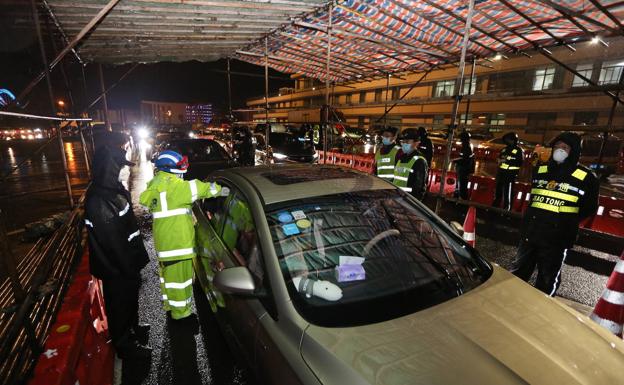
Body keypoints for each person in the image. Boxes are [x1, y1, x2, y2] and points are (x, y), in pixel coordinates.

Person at [139, 150, 228, 320]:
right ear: (171, 169)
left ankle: (170, 305)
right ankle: (181, 315)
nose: (184, 170)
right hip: (178, 245)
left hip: (166, 244)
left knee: (169, 278)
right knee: (181, 281)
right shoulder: (177, 187)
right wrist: (223, 191)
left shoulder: (157, 185)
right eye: (181, 166)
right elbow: (204, 188)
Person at [84, 139, 151, 359]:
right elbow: (113, 243)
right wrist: (128, 268)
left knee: (130, 300)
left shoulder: (112, 190)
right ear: (108, 166)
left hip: (127, 263)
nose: (123, 169)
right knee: (119, 306)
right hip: (118, 268)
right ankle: (125, 345)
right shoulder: (100, 200)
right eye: (119, 165)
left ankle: (134, 328)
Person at [510, 132, 599, 296]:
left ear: (574, 151)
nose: (559, 150)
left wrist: (565, 221)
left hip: (557, 238)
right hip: (531, 232)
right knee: (517, 274)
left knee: (547, 280)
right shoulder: (541, 170)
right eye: (556, 147)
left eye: (564, 147)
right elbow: (535, 199)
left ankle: (540, 314)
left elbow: (589, 207)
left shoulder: (585, 176)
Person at [393, 128, 428, 200]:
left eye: (407, 141)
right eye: (403, 141)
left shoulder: (419, 160)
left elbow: (418, 188)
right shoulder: (401, 158)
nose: (404, 143)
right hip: (396, 198)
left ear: (416, 143)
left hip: (408, 201)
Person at [493, 132, 524, 210]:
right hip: (501, 173)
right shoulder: (505, 149)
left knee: (508, 192)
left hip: (510, 175)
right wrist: (499, 160)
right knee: (498, 191)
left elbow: (519, 162)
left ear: (513, 140)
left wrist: (506, 160)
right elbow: (499, 158)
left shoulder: (518, 150)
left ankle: (507, 209)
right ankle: (495, 206)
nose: (506, 141)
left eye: (508, 139)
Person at [453, 131, 475, 199]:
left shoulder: (467, 147)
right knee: (460, 186)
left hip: (464, 170)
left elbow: (465, 159)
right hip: (463, 170)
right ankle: (459, 198)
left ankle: (462, 201)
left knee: (462, 187)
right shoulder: (466, 146)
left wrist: (455, 161)